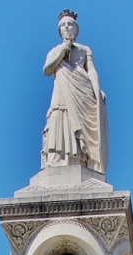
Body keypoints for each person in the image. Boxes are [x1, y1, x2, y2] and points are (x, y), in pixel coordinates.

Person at [41, 10, 108, 175]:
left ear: (76, 29)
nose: (66, 27)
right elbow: (47, 69)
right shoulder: (55, 50)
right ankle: (57, 159)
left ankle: (80, 159)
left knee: (79, 124)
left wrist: (96, 89)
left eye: (69, 24)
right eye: (63, 25)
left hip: (82, 91)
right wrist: (63, 50)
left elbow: (91, 71)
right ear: (60, 31)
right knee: (59, 116)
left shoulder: (84, 50)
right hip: (62, 90)